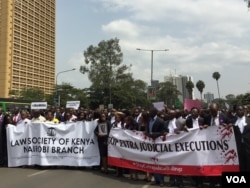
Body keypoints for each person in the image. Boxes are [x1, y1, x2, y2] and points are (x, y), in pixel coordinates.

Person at [146, 107, 168, 187]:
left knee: (159, 161)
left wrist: (155, 134)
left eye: (150, 111)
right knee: (153, 162)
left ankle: (161, 180)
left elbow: (164, 131)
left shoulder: (160, 121)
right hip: (151, 143)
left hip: (158, 143)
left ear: (154, 112)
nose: (149, 113)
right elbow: (147, 129)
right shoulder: (149, 120)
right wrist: (148, 133)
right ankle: (156, 179)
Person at [233, 105, 250, 172]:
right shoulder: (233, 121)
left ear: (244, 110)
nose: (239, 111)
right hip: (238, 147)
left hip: (248, 146)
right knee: (241, 164)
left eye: (241, 110)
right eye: (237, 110)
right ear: (236, 111)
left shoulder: (249, 120)